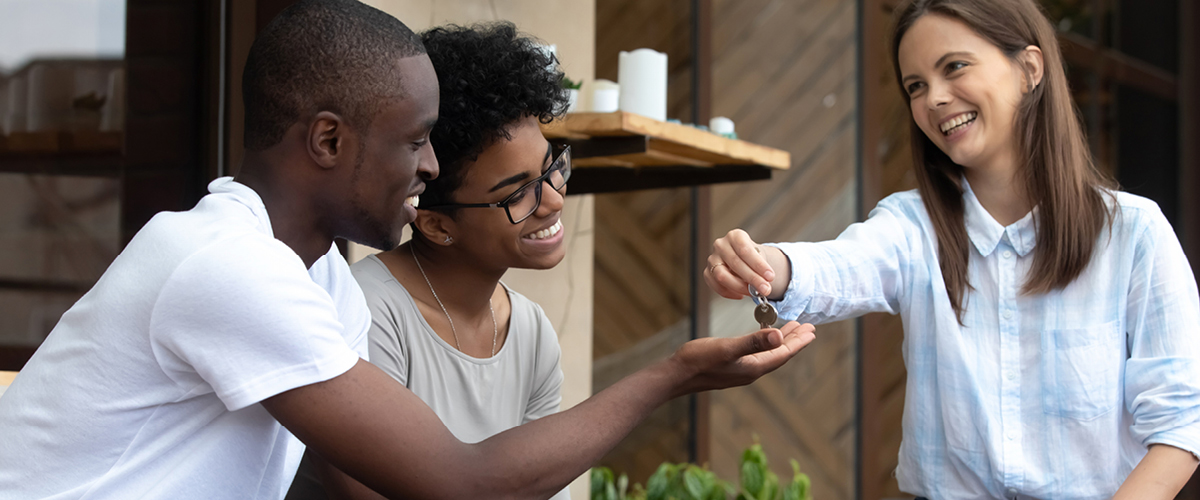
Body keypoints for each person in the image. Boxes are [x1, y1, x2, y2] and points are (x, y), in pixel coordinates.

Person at [0, 1, 816, 498]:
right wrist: (673, 375)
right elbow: (457, 483)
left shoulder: (321, 281)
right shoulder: (225, 265)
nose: (427, 169)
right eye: (416, 142)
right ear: (327, 138)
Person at [704, 0, 1200, 498]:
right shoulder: (911, 226)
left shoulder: (1135, 233)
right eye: (915, 86)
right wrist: (768, 264)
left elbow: (1181, 425)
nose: (934, 99)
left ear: (1029, 69)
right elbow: (844, 264)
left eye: (954, 67)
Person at [286, 22, 576, 499]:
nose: (553, 201)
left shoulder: (531, 331)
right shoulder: (365, 312)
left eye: (552, 168)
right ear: (437, 226)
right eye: (520, 192)